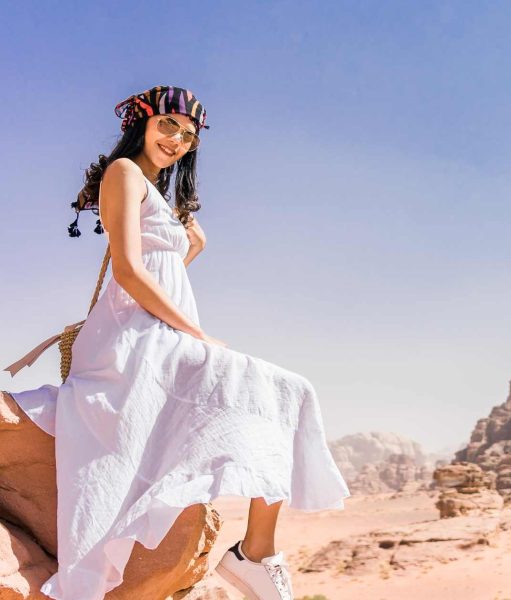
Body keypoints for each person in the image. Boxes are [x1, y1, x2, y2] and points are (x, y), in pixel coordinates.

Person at [3, 85, 351, 600]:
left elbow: (160, 269)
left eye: (188, 135)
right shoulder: (124, 173)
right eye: (168, 124)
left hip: (160, 333)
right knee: (283, 388)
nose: (177, 139)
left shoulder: (156, 194)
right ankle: (254, 555)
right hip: (132, 339)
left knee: (287, 393)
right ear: (141, 124)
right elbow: (128, 271)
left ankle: (257, 552)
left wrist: (192, 246)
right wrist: (196, 333)